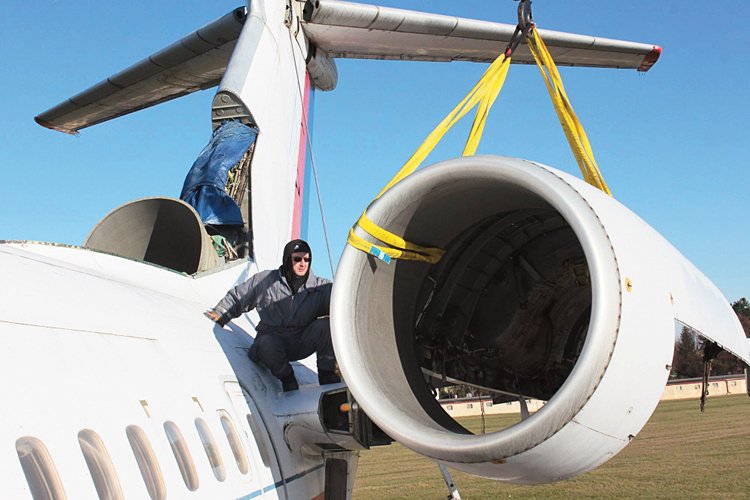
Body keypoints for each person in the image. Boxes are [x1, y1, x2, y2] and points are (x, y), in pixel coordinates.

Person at [204, 239, 340, 391]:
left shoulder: (321, 288)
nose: (303, 264)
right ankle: (287, 378)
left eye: (307, 259)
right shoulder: (266, 280)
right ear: (287, 259)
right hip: (272, 344)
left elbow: (343, 304)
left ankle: (328, 377)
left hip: (300, 342)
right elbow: (239, 297)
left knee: (325, 326)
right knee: (267, 343)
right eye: (297, 259)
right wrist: (220, 313)